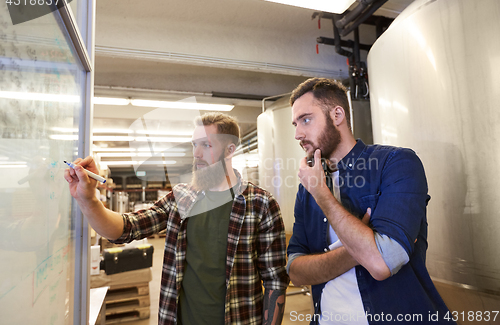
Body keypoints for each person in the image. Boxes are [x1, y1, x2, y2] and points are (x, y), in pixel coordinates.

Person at [65, 112, 289, 325]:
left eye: (206, 145)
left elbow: (274, 281)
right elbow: (126, 228)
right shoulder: (181, 198)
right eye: (194, 144)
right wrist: (89, 199)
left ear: (230, 150)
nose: (196, 153)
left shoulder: (260, 205)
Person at [287, 78, 455, 324]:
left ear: (337, 115)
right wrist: (360, 247)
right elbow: (296, 271)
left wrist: (322, 194)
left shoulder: (396, 163)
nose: (297, 134)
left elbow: (381, 264)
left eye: (306, 119)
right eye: (295, 123)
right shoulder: (307, 188)